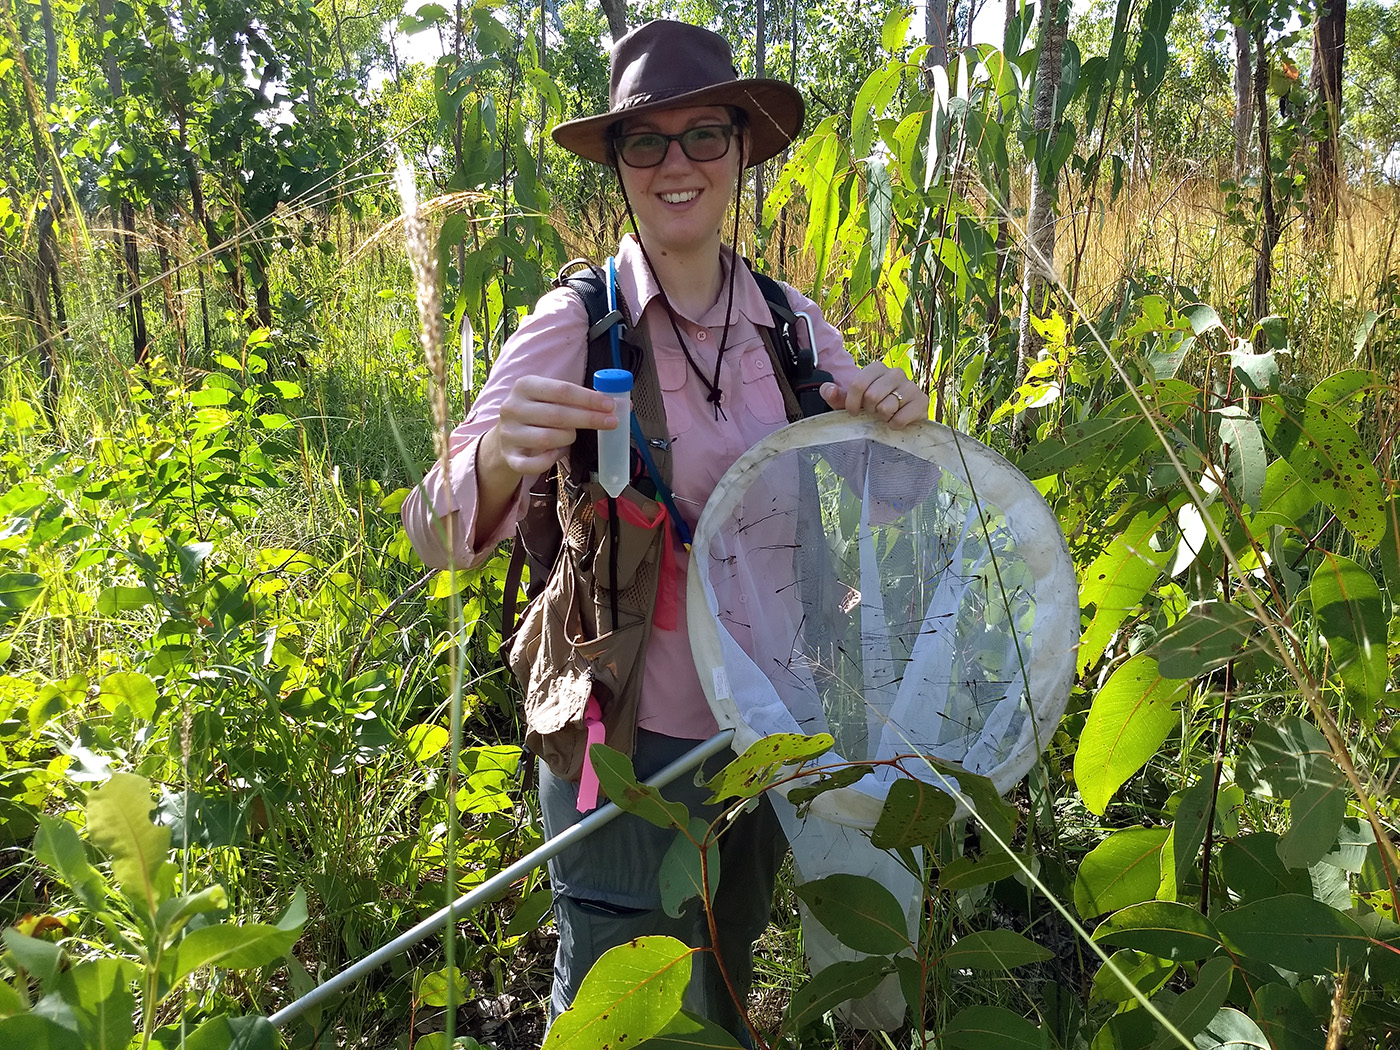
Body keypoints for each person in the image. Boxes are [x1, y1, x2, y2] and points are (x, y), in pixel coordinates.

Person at [402, 19, 929, 1043]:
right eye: (644, 141)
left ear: (740, 151)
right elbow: (434, 530)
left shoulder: (789, 325)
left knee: (723, 983)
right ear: (616, 166)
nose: (675, 163)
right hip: (624, 745)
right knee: (617, 1003)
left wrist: (893, 425)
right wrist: (502, 454)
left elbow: (892, 505)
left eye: (703, 135)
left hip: (766, 732)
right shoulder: (575, 323)